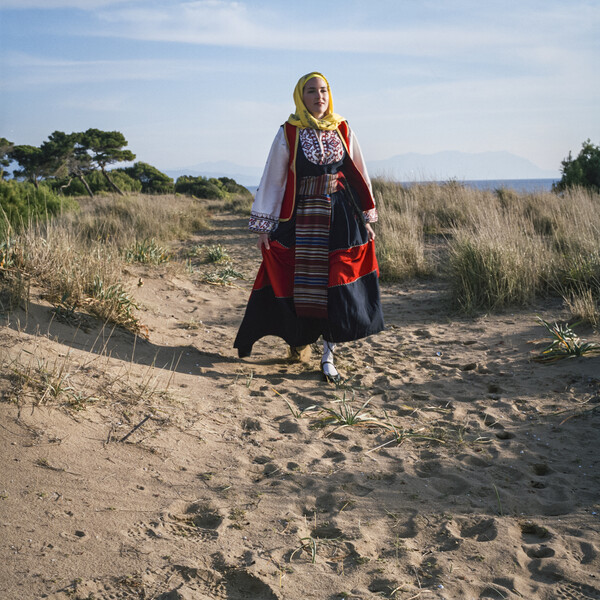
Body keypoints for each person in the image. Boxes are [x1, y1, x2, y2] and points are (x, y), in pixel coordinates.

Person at [234, 72, 384, 382]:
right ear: (300, 97)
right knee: (302, 284)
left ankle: (329, 355)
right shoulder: (289, 132)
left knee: (336, 284)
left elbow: (358, 172)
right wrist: (265, 225)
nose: (319, 96)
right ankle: (299, 342)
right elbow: (274, 178)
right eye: (312, 91)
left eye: (324, 90)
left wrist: (366, 217)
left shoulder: (343, 128)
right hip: (302, 217)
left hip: (341, 215)